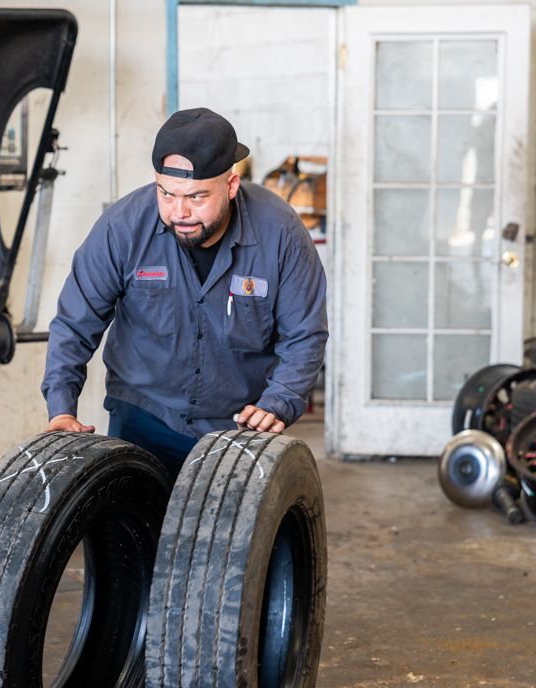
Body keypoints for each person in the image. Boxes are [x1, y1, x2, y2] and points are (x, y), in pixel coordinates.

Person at [41, 107, 328, 476]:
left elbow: (305, 334)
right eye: (167, 193)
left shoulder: (281, 233)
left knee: (250, 535)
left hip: (240, 428)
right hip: (144, 418)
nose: (180, 212)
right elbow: (74, 323)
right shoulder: (122, 228)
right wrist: (62, 408)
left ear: (230, 186)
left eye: (196, 197)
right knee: (125, 532)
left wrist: (279, 402)